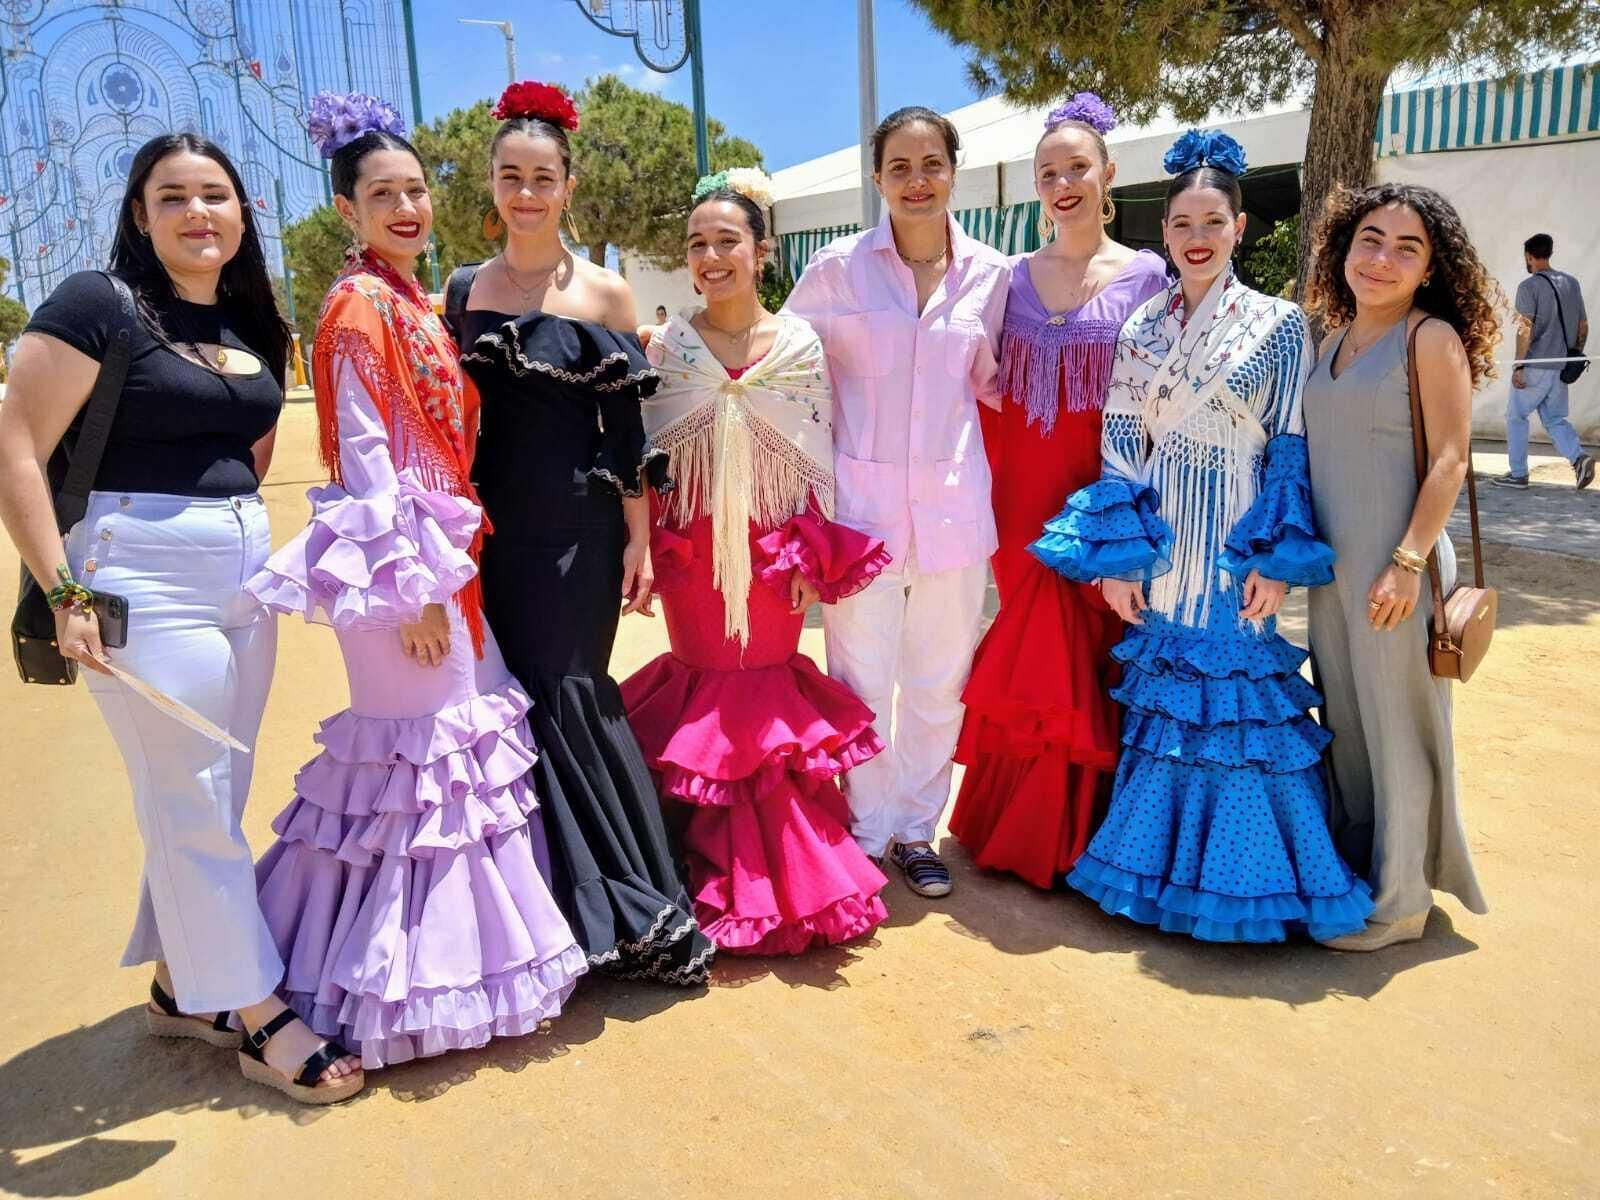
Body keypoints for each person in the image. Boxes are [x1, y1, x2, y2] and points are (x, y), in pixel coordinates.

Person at [0, 133, 364, 1101]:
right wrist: (63, 590)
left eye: (216, 195)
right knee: (194, 794)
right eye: (174, 197)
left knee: (212, 788)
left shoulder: (251, 321)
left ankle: (176, 987)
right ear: (139, 215)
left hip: (243, 572)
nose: (199, 213)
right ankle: (258, 1015)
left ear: (242, 214)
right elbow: (18, 446)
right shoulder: (96, 306)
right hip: (138, 574)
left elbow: (247, 449)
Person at [247, 92, 585, 1069]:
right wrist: (419, 591)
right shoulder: (359, 305)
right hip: (404, 576)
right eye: (381, 194)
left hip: (443, 565)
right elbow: (364, 457)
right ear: (346, 210)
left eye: (415, 190)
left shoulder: (408, 297)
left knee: (441, 769)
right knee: (418, 777)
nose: (404, 207)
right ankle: (376, 979)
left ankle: (423, 966)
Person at [1034, 130, 1373, 943]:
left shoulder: (1280, 324)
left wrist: (1276, 560)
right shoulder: (1141, 327)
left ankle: (1249, 884)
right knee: (1171, 702)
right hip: (1164, 540)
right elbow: (1119, 446)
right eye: (1182, 222)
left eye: (1212, 222)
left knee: (1239, 705)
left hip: (1235, 535)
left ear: (1239, 229)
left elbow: (1290, 445)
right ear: (1164, 233)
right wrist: (1118, 562)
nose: (1196, 237)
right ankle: (1160, 875)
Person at [450, 81, 714, 983]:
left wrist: (639, 542)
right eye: (511, 176)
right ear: (492, 183)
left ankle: (625, 901)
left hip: (578, 533)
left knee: (569, 690)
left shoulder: (604, 296)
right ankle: (543, 909)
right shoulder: (459, 293)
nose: (527, 193)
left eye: (544, 177)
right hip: (487, 533)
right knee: (508, 698)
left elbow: (628, 438)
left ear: (569, 185)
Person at [621, 170, 891, 955]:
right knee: (703, 683)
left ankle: (782, 877)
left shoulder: (800, 345)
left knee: (764, 701)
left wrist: (811, 553)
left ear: (761, 251)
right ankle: (691, 863)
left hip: (774, 557)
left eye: (728, 241)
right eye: (699, 244)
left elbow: (817, 459)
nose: (712, 256)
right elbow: (646, 451)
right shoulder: (668, 348)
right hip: (692, 552)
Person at [783, 106, 1010, 898]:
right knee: (858, 678)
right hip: (858, 515)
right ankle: (862, 831)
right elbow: (789, 375)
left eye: (932, 165)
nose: (918, 181)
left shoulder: (993, 274)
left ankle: (916, 830)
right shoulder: (835, 270)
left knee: (939, 680)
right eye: (900, 167)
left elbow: (998, 384)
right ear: (877, 178)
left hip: (953, 512)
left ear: (955, 172)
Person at [949, 94, 1169, 889]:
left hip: (1105, 490)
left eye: (1077, 167)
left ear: (1108, 174)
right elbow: (978, 380)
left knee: (1101, 645)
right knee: (1036, 650)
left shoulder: (1148, 274)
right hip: (1025, 494)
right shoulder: (1011, 277)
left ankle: (1094, 836)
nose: (1063, 182)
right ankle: (1020, 825)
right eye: (1049, 173)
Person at [1303, 182, 1496, 950]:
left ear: (1429, 268)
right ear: (1344, 251)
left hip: (1396, 566)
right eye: (1370, 240)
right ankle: (1361, 873)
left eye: (1406, 248)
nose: (1382, 259)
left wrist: (1408, 563)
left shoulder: (1430, 338)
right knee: (1348, 727)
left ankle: (1403, 901)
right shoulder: (1331, 339)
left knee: (1399, 730)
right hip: (1334, 574)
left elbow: (1450, 459)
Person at [1491, 233, 1592, 490]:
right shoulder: (1571, 283)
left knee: (1516, 416)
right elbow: (1583, 326)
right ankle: (1579, 458)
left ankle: (1518, 474)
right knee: (1555, 419)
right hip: (1561, 365)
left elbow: (1526, 329)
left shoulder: (1529, 287)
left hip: (1536, 364)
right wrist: (1574, 356)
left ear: (1529, 255)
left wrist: (1519, 365)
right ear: (1549, 253)